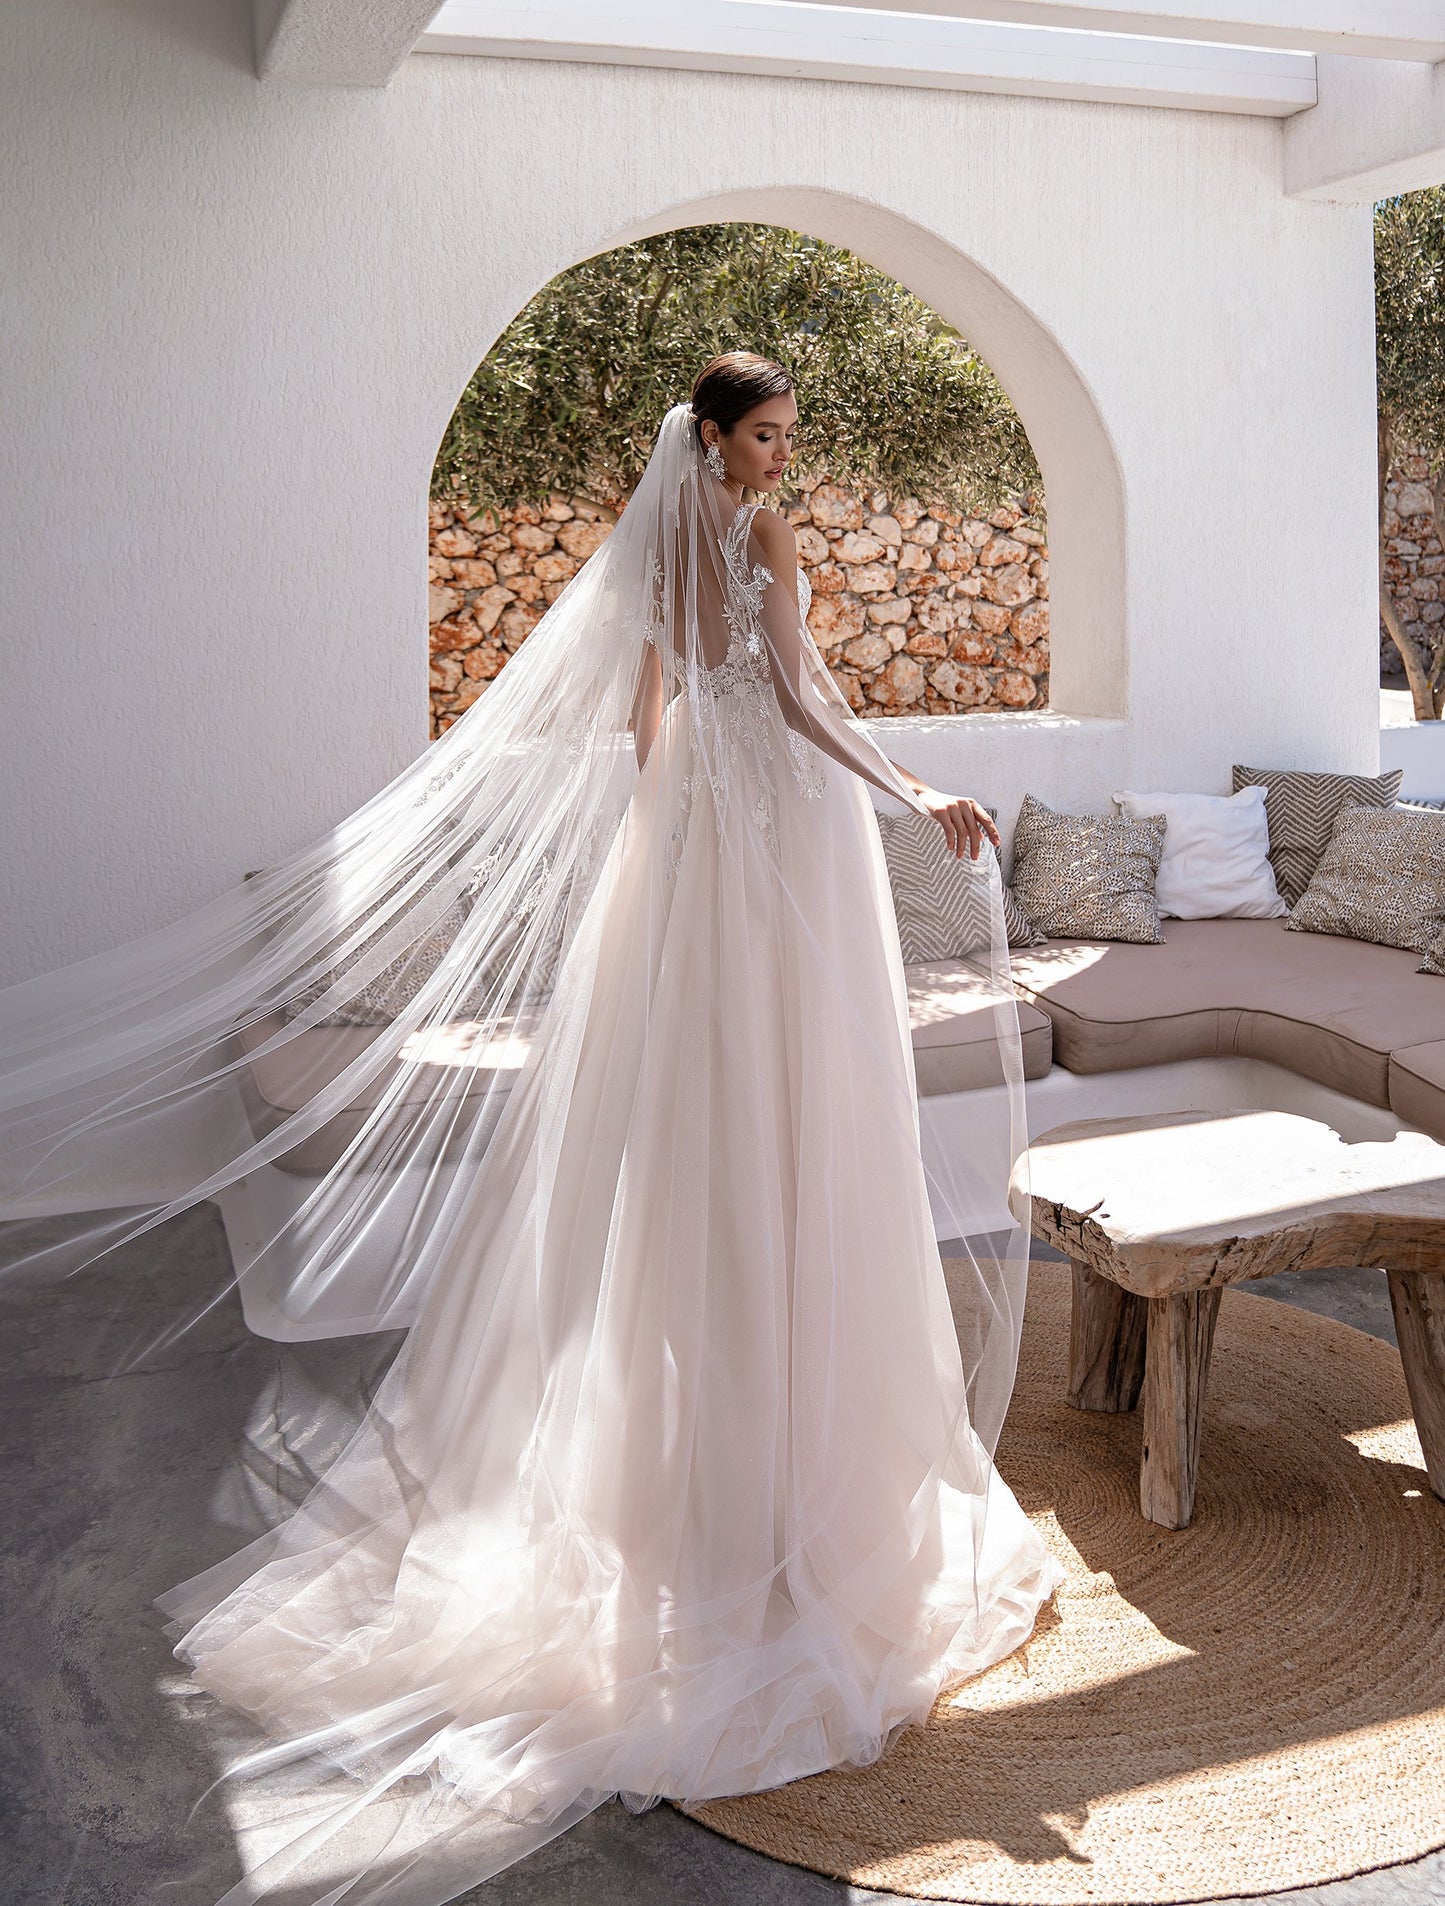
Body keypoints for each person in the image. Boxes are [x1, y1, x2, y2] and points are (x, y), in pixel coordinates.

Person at [0, 352, 1060, 1905]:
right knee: (785, 1121)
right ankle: (775, 1496)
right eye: (765, 437)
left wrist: (667, 833)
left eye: (783, 441)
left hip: (695, 840)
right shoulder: (757, 538)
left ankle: (701, 1475)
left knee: (695, 1138)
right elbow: (798, 691)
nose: (782, 461)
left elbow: (646, 714)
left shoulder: (653, 531)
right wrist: (909, 785)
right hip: (774, 826)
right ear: (713, 434)